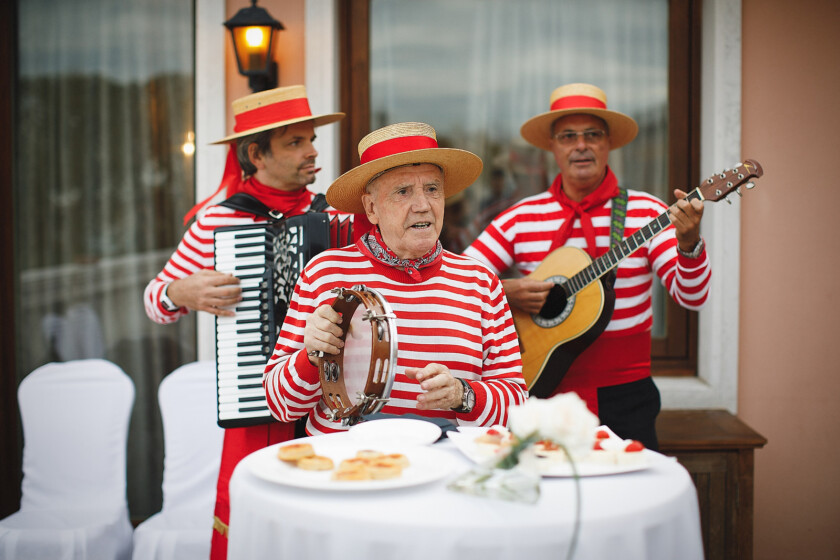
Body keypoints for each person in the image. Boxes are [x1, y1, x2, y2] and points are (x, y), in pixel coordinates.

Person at [143, 84, 345, 560]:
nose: (313, 150)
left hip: (331, 398)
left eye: (311, 138)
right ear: (256, 153)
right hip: (256, 398)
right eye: (295, 142)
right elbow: (154, 301)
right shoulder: (219, 222)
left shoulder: (335, 214)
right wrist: (180, 291)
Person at [463, 83, 711, 450]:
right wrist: (507, 291)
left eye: (592, 135)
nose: (581, 145)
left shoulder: (647, 212)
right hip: (539, 388)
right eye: (568, 136)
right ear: (553, 147)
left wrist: (689, 244)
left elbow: (692, 296)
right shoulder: (521, 217)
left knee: (627, 497)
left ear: (608, 143)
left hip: (626, 395)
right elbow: (461, 282)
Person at [264, 122, 527, 435]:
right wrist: (311, 357)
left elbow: (517, 405)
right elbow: (280, 405)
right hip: (347, 469)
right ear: (371, 208)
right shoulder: (324, 272)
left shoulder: (480, 282)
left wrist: (462, 395)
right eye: (403, 192)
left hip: (443, 468)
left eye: (432, 189)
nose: (422, 205)